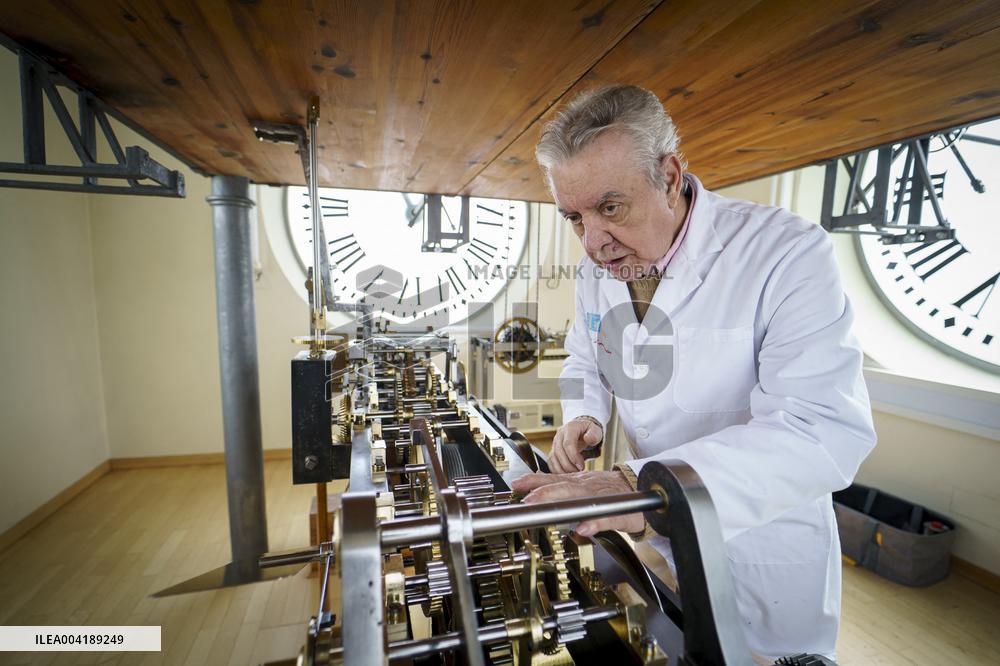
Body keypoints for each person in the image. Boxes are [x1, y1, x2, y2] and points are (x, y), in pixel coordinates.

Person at [511, 84, 876, 661]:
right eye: (574, 217)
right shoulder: (598, 271)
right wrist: (584, 411)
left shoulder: (785, 252)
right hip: (658, 534)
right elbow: (587, 353)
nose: (592, 243)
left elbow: (822, 430)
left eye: (610, 208)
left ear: (671, 175)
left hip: (759, 536)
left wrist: (642, 484)